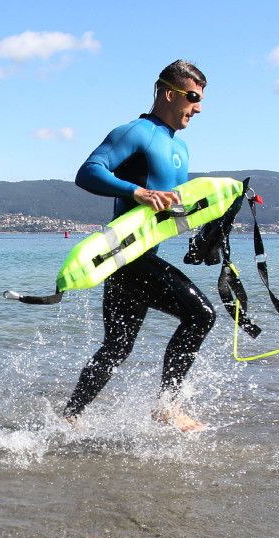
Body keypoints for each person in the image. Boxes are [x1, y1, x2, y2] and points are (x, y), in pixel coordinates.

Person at [64, 59, 215, 432]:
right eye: (192, 97)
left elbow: (175, 206)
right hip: (126, 257)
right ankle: (167, 406)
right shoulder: (135, 133)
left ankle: (69, 417)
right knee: (201, 315)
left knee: (117, 347)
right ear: (169, 93)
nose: (198, 107)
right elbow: (88, 172)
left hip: (142, 256)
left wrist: (206, 233)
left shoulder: (181, 149)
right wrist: (138, 191)